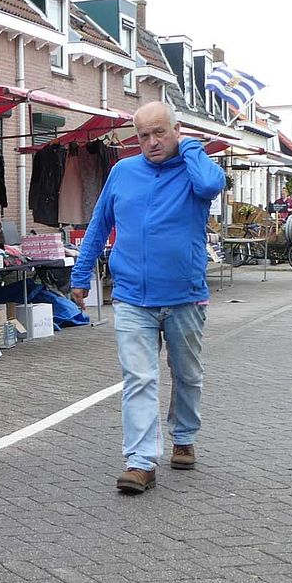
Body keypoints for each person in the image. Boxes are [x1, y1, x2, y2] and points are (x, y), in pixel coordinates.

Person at [70, 100, 226, 494]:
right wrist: (81, 274)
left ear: (176, 131)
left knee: (186, 374)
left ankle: (184, 436)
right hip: (131, 298)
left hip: (184, 296)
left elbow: (212, 185)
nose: (152, 142)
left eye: (160, 132)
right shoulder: (122, 172)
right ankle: (140, 462)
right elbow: (99, 225)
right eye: (143, 136)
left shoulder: (194, 172)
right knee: (139, 377)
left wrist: (191, 148)